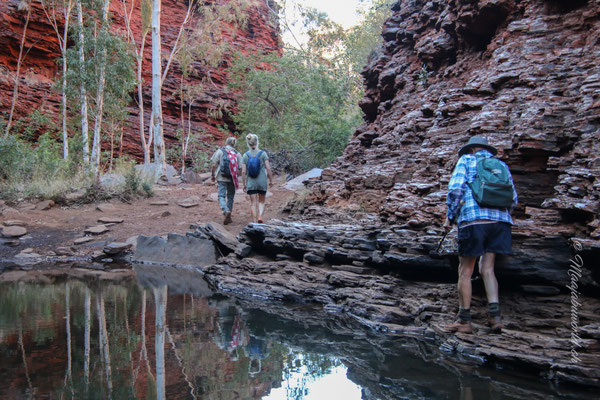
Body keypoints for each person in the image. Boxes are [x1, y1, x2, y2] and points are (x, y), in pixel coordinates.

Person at [442, 136, 518, 334]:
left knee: (465, 270)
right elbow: (513, 199)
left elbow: (455, 189)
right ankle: (495, 318)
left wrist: (450, 216)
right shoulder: (501, 165)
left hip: (474, 221)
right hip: (500, 223)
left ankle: (464, 321)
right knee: (488, 269)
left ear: (473, 149)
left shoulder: (466, 161)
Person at [210, 137, 242, 225]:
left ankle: (225, 210)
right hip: (232, 178)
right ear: (234, 144)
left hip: (221, 177)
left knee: (221, 196)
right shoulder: (237, 154)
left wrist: (213, 175)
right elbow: (240, 168)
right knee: (230, 197)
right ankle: (229, 216)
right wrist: (236, 176)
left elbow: (214, 165)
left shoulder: (220, 151)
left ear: (226, 143)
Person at [241, 133, 272, 223]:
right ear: (257, 142)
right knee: (261, 201)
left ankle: (254, 222)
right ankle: (260, 217)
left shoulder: (245, 155)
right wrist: (271, 180)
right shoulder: (263, 154)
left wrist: (244, 184)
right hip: (262, 181)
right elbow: (268, 168)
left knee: (253, 203)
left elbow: (243, 171)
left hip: (251, 182)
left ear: (248, 143)